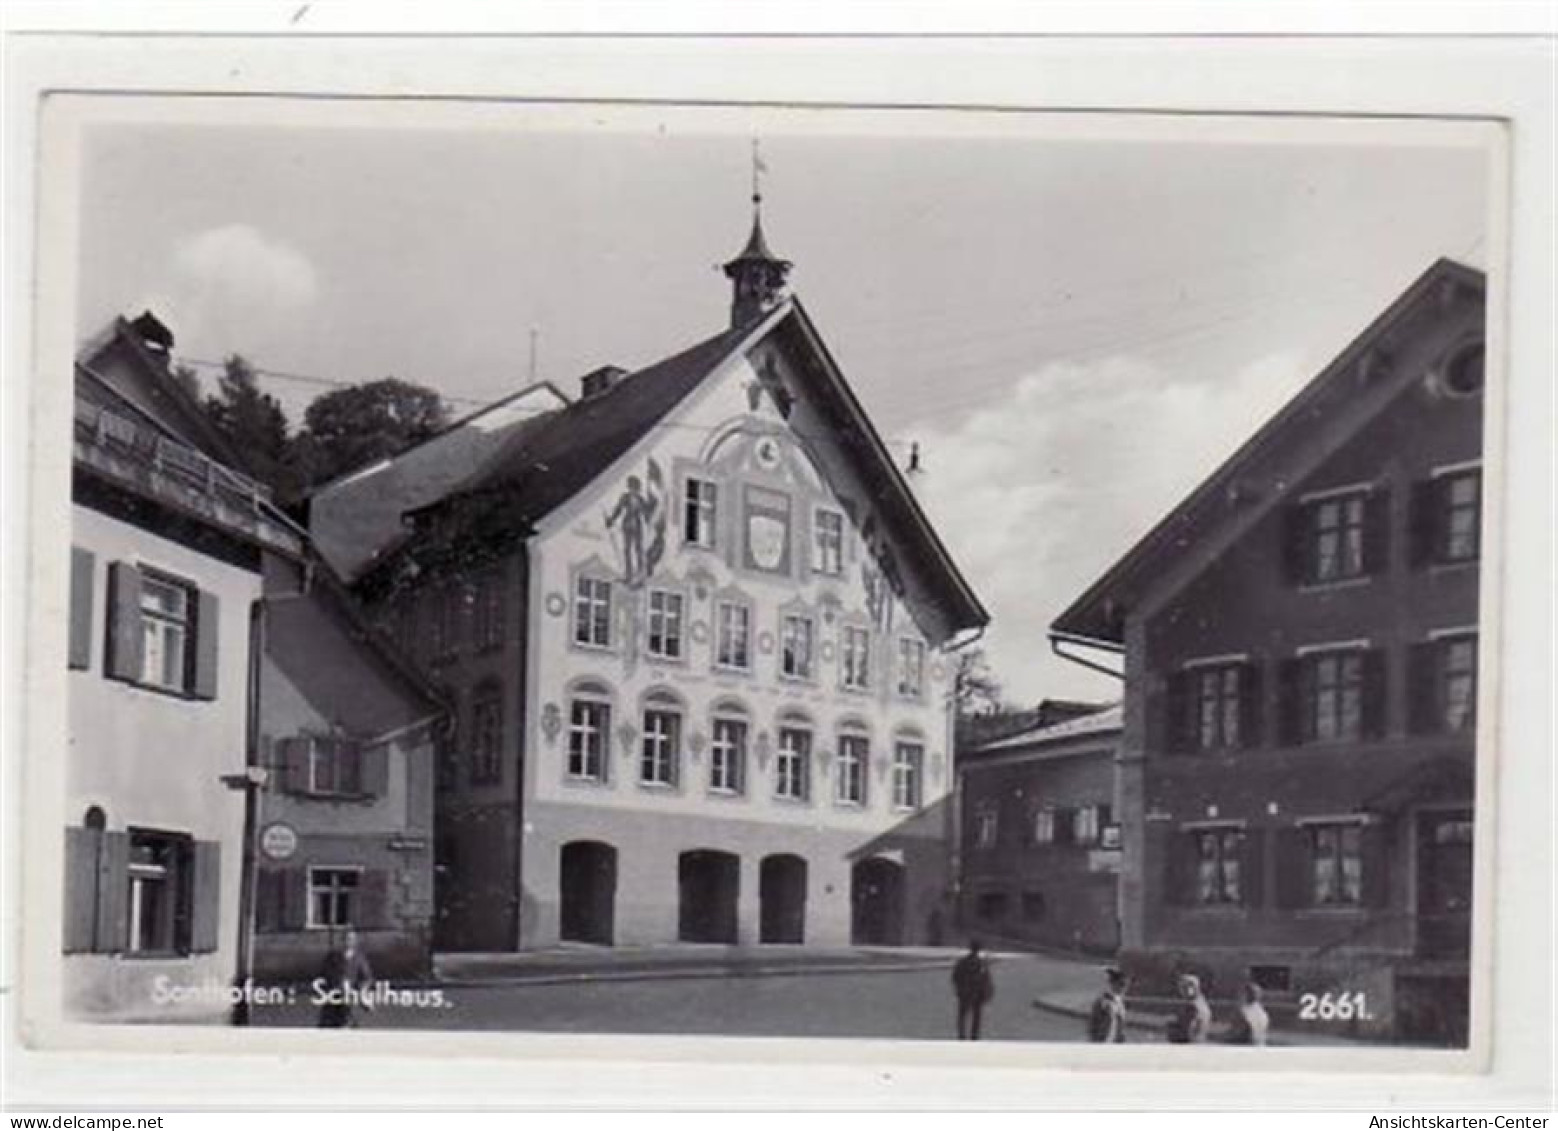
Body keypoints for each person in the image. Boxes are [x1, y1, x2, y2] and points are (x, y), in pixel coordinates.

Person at [317, 928, 375, 1029]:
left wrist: (361, 991)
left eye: (351, 939)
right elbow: (324, 974)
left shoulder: (359, 959)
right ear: (342, 940)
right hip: (333, 999)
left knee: (348, 1025)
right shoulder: (332, 957)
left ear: (355, 941)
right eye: (345, 939)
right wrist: (338, 984)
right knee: (327, 1026)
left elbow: (367, 978)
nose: (348, 942)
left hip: (350, 1000)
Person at [950, 939, 994, 1040]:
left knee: (963, 1016)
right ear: (979, 949)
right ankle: (974, 1036)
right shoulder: (982, 964)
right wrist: (988, 992)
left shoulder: (963, 962)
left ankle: (962, 1036)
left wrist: (959, 989)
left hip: (965, 992)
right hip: (977, 993)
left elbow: (955, 977)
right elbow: (986, 979)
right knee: (976, 1017)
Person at [1087, 966, 1130, 1043]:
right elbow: (1093, 1025)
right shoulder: (1102, 1002)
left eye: (1125, 985)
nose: (1124, 989)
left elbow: (1120, 1026)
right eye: (1121, 984)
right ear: (1113, 984)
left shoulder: (1120, 1003)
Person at [1166, 973, 1211, 1044]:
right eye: (1180, 987)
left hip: (1189, 1046)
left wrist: (1172, 1029)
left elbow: (1189, 1031)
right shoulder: (1201, 1003)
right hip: (1197, 1043)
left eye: (1184, 987)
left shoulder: (1193, 1006)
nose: (1181, 990)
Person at [1226, 981, 1270, 1046]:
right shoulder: (1264, 1013)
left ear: (1245, 995)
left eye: (1241, 994)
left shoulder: (1242, 1012)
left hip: (1246, 1046)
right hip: (1260, 1046)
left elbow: (1237, 1035)